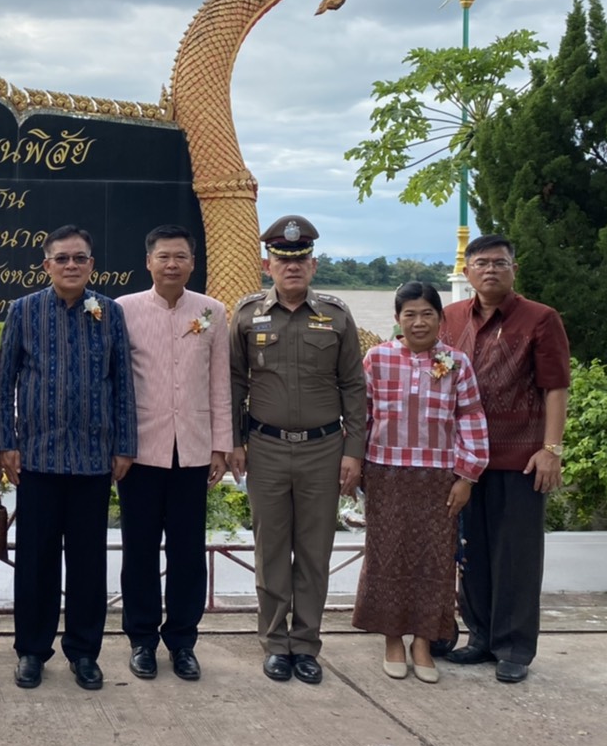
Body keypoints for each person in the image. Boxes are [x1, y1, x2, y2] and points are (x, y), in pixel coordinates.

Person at [0, 225, 137, 692]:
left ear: (92, 265)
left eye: (80, 258)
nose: (71, 265)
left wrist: (124, 445)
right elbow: (4, 383)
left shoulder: (110, 312)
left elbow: (123, 384)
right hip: (36, 458)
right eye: (62, 258)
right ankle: (32, 651)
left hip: (94, 459)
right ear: (46, 265)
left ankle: (84, 652)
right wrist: (6, 443)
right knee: (35, 562)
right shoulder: (23, 311)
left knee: (88, 562)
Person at [229, 215, 365, 685]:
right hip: (265, 447)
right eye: (283, 260)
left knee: (313, 552)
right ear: (268, 265)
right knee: (270, 551)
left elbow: (353, 386)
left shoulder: (337, 316)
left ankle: (305, 644)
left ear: (313, 265)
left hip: (324, 450)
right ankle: (274, 641)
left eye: (301, 260)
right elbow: (234, 382)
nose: (292, 267)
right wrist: (233, 442)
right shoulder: (246, 315)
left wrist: (354, 451)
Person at [439, 234, 570, 683]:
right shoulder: (450, 317)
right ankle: (479, 637)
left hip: (520, 457)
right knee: (470, 552)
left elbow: (556, 386)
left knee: (516, 554)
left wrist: (551, 449)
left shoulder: (540, 319)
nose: (490, 270)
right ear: (468, 271)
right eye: (481, 263)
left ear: (514, 268)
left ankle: (514, 646)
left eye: (499, 262)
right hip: (463, 460)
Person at [352, 282, 488, 683]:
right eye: (409, 314)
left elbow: (471, 420)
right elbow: (361, 416)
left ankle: (424, 643)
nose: (418, 322)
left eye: (427, 313)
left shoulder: (456, 363)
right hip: (386, 472)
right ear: (397, 319)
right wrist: (355, 467)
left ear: (441, 319)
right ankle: (393, 639)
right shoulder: (376, 359)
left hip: (438, 477)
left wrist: (467, 475)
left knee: (435, 559)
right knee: (387, 556)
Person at [114, 224, 230, 683]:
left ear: (192, 262)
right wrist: (118, 445)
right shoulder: (123, 311)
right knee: (138, 550)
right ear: (148, 262)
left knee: (187, 552)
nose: (171, 264)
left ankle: (182, 641)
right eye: (163, 256)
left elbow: (220, 381)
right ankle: (142, 640)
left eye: (180, 257)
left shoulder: (212, 312)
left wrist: (221, 443)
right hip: (141, 450)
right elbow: (118, 384)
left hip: (195, 449)